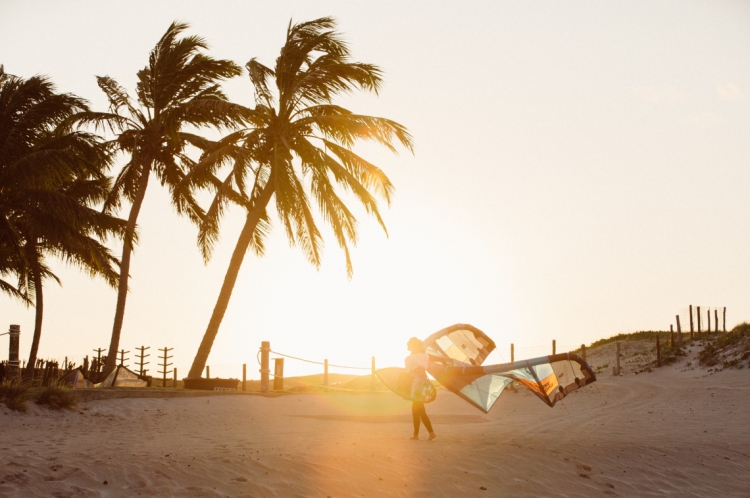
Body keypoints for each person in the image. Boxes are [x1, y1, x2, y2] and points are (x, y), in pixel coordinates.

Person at [405, 337, 437, 440]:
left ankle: (431, 433)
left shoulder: (409, 359)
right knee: (416, 409)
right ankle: (416, 435)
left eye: (409, 346)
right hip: (424, 384)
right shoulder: (424, 356)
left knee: (419, 409)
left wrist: (405, 389)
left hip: (416, 385)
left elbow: (407, 374)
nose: (408, 348)